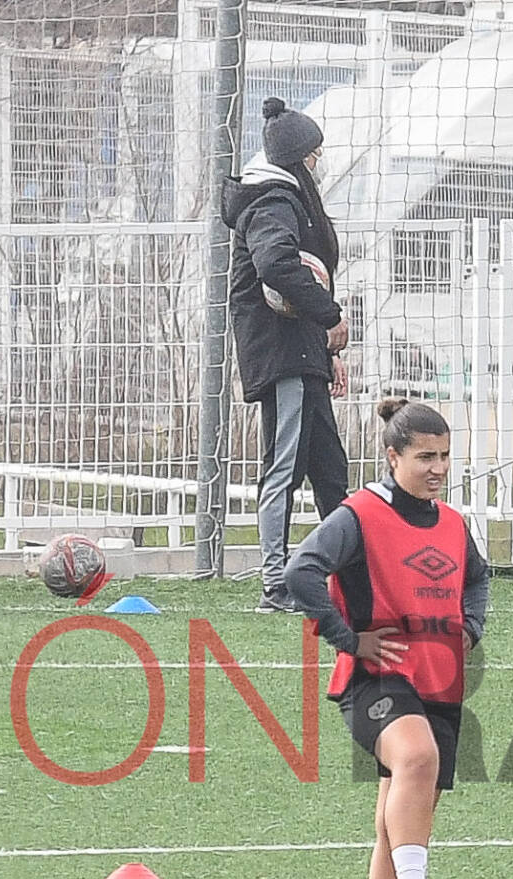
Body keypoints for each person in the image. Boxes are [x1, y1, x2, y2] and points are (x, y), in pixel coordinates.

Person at [285, 398, 489, 879]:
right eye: (425, 456)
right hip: (376, 678)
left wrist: (471, 627)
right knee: (417, 759)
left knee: (393, 824)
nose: (438, 467)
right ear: (393, 455)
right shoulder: (360, 514)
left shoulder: (451, 524)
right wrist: (349, 639)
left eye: (445, 456)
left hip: (440, 680)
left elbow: (477, 578)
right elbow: (301, 571)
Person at [221, 96, 352, 613]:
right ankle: (276, 585)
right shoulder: (272, 200)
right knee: (283, 466)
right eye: (316, 153)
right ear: (299, 158)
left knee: (330, 470)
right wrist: (329, 315)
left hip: (303, 353)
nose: (321, 162)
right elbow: (277, 264)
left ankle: (346, 581)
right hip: (282, 355)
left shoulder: (283, 195)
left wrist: (325, 349)